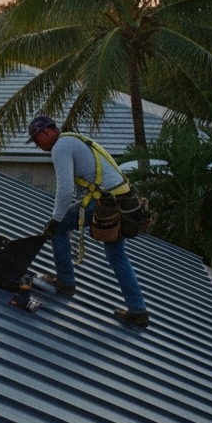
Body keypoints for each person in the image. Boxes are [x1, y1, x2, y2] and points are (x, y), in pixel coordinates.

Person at [27, 115, 150, 328]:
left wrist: (55, 220)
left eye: (37, 141)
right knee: (117, 256)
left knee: (58, 227)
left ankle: (66, 281)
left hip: (106, 202)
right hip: (123, 199)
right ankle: (138, 311)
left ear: (46, 132)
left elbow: (65, 191)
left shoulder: (61, 147)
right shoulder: (73, 139)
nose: (38, 147)